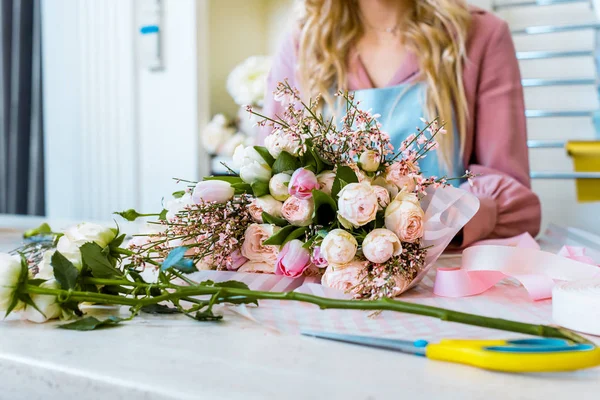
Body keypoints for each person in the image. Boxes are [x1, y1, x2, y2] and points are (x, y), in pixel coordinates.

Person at [262, 0, 541, 246]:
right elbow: (272, 181)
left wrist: (429, 222)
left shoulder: (480, 35)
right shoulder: (303, 43)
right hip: (331, 282)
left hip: (447, 275)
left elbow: (515, 203)